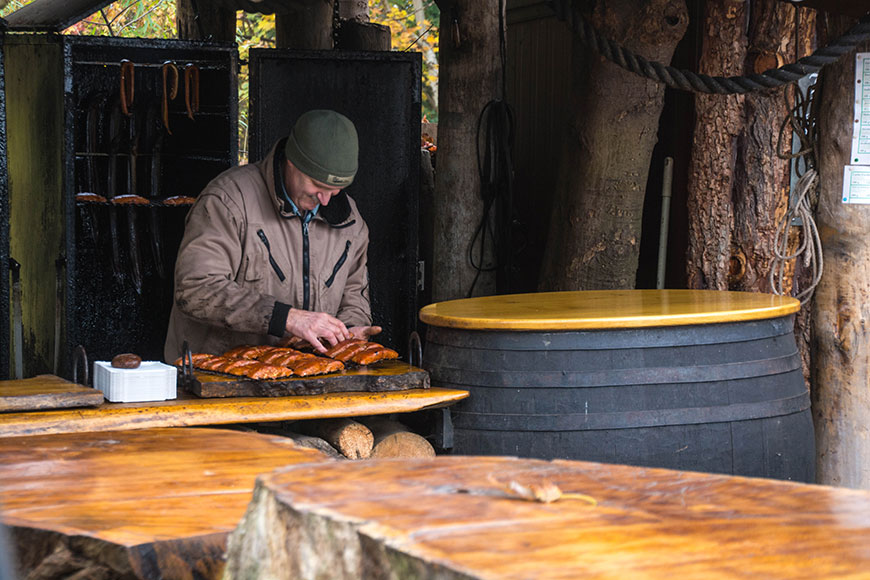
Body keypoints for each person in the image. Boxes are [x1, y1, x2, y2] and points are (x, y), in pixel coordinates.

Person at [164, 109, 380, 361]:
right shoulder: (229, 200)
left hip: (304, 379)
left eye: (335, 190)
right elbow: (195, 289)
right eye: (317, 186)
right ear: (291, 162)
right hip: (215, 376)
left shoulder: (350, 222)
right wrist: (286, 318)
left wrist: (348, 331)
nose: (324, 199)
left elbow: (353, 295)